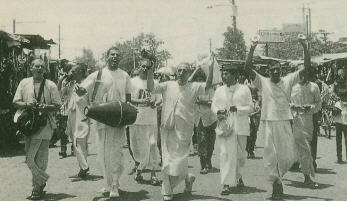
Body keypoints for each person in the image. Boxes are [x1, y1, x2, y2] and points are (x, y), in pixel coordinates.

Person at [243, 36, 311, 200]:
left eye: (277, 69)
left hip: (284, 122)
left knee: (287, 156)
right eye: (272, 69)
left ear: (281, 71)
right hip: (268, 122)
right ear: (268, 71)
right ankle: (276, 184)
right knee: (270, 156)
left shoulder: (288, 80)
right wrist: (252, 47)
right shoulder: (263, 82)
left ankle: (278, 179)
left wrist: (304, 46)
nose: (275, 71)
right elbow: (246, 69)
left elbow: (306, 67)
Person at [147, 59, 214, 201]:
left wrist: (211, 67)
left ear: (190, 73)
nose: (181, 73)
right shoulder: (168, 85)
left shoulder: (194, 86)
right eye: (179, 70)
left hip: (184, 131)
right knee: (167, 160)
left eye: (184, 70)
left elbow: (208, 85)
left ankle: (187, 178)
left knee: (179, 161)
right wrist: (149, 70)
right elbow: (151, 88)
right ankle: (168, 191)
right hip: (168, 127)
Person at [75, 47, 131, 198]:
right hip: (102, 118)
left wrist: (127, 115)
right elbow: (82, 90)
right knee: (102, 152)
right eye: (112, 54)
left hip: (118, 118)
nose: (115, 57)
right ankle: (107, 183)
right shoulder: (98, 74)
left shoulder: (124, 75)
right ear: (107, 57)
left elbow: (128, 98)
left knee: (116, 151)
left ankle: (114, 183)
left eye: (117, 55)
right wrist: (79, 91)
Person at [13, 58, 61, 200]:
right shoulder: (24, 83)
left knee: (40, 158)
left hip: (44, 124)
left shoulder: (50, 85)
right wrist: (27, 104)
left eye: (42, 67)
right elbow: (15, 102)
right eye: (36, 66)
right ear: (31, 68)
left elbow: (58, 105)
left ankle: (36, 188)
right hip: (28, 125)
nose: (39, 69)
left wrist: (45, 107)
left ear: (45, 69)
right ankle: (42, 180)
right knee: (29, 158)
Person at [211, 66, 252, 195]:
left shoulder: (244, 89)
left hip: (240, 126)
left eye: (227, 74)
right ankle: (226, 183)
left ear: (235, 75)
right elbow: (214, 104)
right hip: (225, 126)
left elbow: (251, 107)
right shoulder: (219, 90)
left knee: (240, 156)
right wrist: (218, 111)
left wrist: (238, 109)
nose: (224, 77)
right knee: (225, 154)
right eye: (224, 74)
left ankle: (238, 176)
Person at [129, 60, 161, 185]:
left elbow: (159, 100)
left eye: (148, 67)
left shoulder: (155, 83)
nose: (145, 69)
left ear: (151, 69)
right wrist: (141, 101)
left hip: (151, 120)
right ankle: (139, 170)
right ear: (139, 66)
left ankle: (153, 174)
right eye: (143, 66)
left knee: (152, 146)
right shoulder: (132, 82)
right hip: (137, 120)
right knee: (138, 149)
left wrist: (154, 103)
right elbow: (128, 98)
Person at [290, 69, 321, 187]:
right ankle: (278, 177)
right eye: (300, 73)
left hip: (308, 121)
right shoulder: (292, 87)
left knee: (306, 148)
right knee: (290, 148)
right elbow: (285, 103)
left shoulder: (314, 87)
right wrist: (293, 107)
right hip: (294, 120)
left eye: (305, 73)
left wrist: (311, 107)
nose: (303, 76)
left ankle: (307, 176)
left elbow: (318, 103)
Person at [65, 63, 90, 178]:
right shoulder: (73, 84)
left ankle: (84, 167)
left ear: (80, 72)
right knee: (74, 142)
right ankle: (83, 166)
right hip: (72, 116)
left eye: (74, 71)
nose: (71, 73)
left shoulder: (87, 84)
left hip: (82, 117)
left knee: (80, 142)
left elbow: (88, 102)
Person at [332, 67, 347, 163]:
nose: (341, 74)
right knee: (338, 137)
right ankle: (339, 157)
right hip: (338, 113)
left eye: (343, 72)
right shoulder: (335, 84)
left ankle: (342, 157)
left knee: (345, 137)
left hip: (345, 113)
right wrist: (336, 98)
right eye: (340, 72)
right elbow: (332, 94)